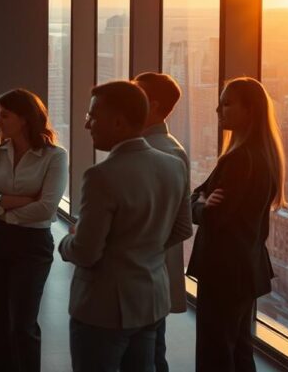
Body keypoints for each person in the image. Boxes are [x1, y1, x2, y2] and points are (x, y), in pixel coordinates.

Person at [59, 81, 192, 372]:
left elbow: (86, 253)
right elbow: (183, 229)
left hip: (103, 310)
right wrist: (144, 250)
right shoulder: (173, 165)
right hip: (151, 300)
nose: (86, 124)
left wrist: (66, 242)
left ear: (118, 122)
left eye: (93, 116)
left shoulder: (101, 176)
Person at [187, 77, 286, 371]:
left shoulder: (239, 159)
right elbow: (201, 194)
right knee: (239, 350)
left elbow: (209, 213)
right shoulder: (262, 156)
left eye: (227, 103)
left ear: (250, 110)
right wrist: (201, 200)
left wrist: (199, 205)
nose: (219, 110)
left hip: (223, 271)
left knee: (215, 353)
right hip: (246, 268)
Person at [0, 89, 68, 372]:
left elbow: (47, 208)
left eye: (5, 115)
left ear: (25, 119)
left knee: (22, 323)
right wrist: (15, 202)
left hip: (32, 244)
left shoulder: (54, 157)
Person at [132, 72, 190, 372]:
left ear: (152, 105)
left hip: (145, 273)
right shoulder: (164, 149)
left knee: (148, 354)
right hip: (147, 273)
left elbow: (175, 225)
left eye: (136, 95)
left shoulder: (162, 153)